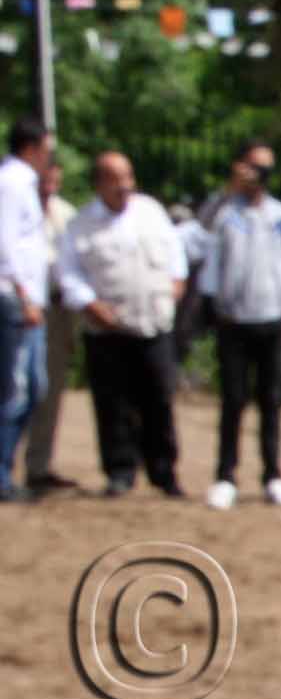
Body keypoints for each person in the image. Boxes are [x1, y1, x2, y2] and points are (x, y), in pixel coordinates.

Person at [58, 152, 191, 498]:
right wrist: (89, 303)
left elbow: (175, 253)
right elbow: (68, 273)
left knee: (159, 399)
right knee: (113, 402)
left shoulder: (151, 211)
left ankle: (164, 473)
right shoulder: (80, 223)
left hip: (153, 323)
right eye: (116, 179)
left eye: (128, 177)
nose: (124, 186)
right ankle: (120, 471)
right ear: (100, 183)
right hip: (108, 328)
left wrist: (177, 281)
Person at [200, 140, 281, 508]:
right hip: (234, 319)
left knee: (271, 400)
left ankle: (273, 474)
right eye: (254, 167)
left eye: (266, 169)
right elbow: (202, 230)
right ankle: (225, 475)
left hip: (273, 317)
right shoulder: (227, 212)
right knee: (233, 399)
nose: (260, 175)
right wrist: (228, 191)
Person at [20, 158, 81, 494]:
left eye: (54, 183)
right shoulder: (12, 210)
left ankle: (38, 466)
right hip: (18, 308)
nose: (49, 190)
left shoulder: (66, 215)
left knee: (50, 390)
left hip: (56, 311)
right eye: (43, 183)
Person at [0, 118, 54, 501]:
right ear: (33, 148)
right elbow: (4, 244)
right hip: (15, 298)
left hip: (25, 298)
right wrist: (24, 294)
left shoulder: (22, 184)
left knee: (33, 387)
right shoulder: (11, 184)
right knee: (16, 389)